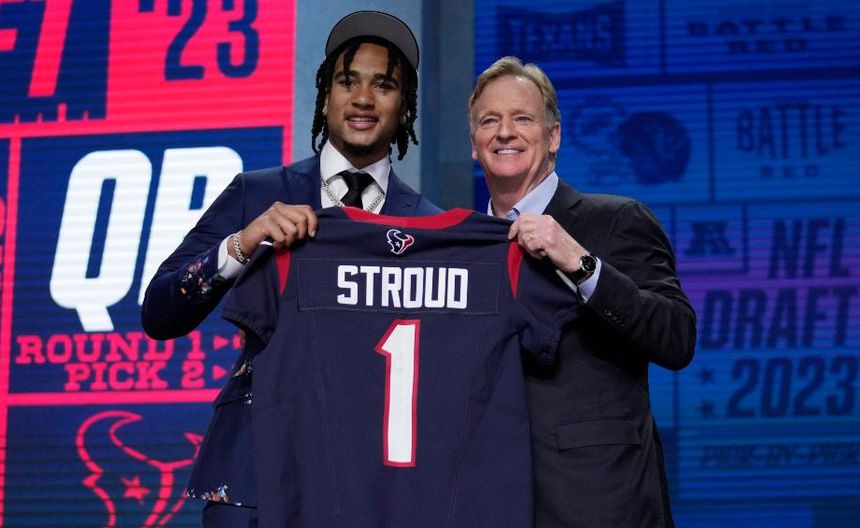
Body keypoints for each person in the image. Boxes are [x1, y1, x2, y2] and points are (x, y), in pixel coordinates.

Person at [140, 11, 439, 527]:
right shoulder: (257, 194)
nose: (362, 99)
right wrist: (243, 242)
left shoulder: (428, 227)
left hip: (371, 485)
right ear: (324, 97)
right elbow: (159, 311)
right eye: (347, 81)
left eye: (383, 85)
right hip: (254, 474)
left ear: (405, 107)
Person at [468, 56, 697, 527]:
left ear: (554, 136)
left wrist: (579, 262)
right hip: (491, 499)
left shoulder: (616, 219)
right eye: (489, 121)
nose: (505, 132)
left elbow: (676, 337)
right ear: (474, 144)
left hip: (600, 501)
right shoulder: (463, 246)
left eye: (522, 119)